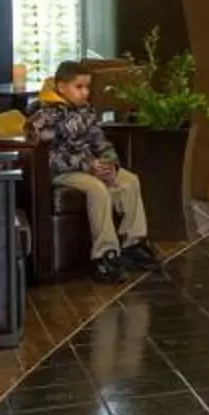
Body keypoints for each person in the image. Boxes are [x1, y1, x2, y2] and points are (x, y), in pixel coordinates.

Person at [24, 62, 155, 282]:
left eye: (87, 87)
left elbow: (99, 141)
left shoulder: (86, 110)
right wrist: (87, 165)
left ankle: (134, 243)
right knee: (97, 189)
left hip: (92, 166)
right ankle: (105, 255)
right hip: (65, 171)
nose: (85, 92)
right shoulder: (43, 116)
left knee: (129, 181)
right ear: (61, 86)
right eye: (79, 87)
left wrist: (110, 164)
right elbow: (48, 157)